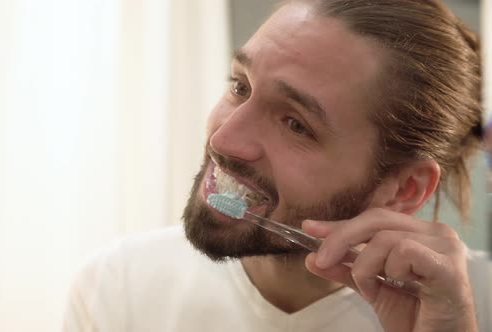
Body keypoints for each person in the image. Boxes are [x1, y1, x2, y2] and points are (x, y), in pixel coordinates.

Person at [63, 0, 491, 331]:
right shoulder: (117, 287)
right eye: (239, 85)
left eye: (295, 124)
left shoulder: (476, 306)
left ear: (404, 190)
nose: (221, 139)